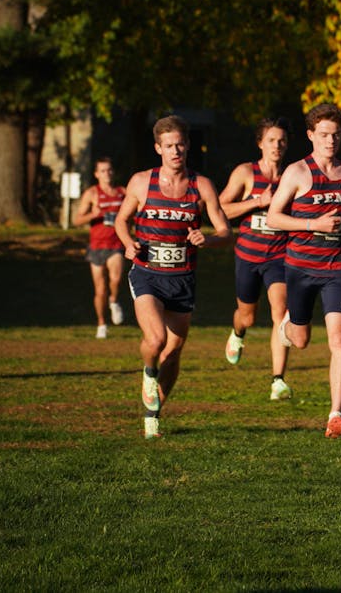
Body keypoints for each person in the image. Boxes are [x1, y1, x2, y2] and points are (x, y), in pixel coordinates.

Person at [115, 115, 232, 440]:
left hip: (182, 279)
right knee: (156, 340)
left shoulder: (202, 185)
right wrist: (127, 243)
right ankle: (148, 372)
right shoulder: (141, 182)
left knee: (174, 350)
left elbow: (225, 231)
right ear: (158, 148)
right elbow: (121, 221)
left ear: (188, 145)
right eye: (169, 146)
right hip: (147, 273)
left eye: (180, 144)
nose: (175, 151)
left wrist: (208, 239)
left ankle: (153, 414)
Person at [265, 103, 341, 439]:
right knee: (300, 341)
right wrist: (313, 224)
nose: (331, 141)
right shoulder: (297, 172)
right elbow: (273, 217)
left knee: (339, 339)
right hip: (300, 268)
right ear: (311, 135)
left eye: (336, 135)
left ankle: (335, 414)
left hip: (337, 268)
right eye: (324, 134)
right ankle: (288, 324)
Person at [219, 118, 294, 401]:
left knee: (281, 312)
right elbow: (221, 209)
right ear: (260, 143)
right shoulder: (246, 173)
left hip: (280, 257)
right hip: (248, 256)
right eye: (271, 140)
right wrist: (257, 202)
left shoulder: (292, 175)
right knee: (248, 317)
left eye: (282, 140)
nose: (277, 145)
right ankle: (238, 332)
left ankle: (278, 380)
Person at [72, 157, 127, 339]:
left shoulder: (122, 192)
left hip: (116, 244)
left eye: (109, 170)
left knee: (116, 279)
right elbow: (76, 220)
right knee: (100, 289)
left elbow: (134, 213)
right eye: (103, 171)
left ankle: (114, 301)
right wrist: (92, 214)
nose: (107, 174)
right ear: (96, 174)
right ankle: (102, 323)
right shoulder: (92, 194)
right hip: (96, 246)